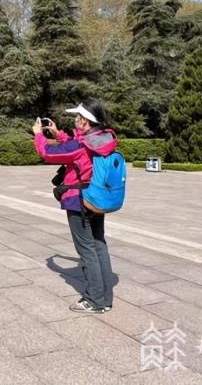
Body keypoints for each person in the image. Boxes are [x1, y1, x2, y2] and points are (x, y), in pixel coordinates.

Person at [32, 98, 117, 314]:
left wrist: (39, 135)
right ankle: (105, 298)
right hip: (95, 197)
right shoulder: (101, 138)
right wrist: (58, 133)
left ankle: (94, 300)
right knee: (98, 245)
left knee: (86, 249)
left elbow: (48, 153)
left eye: (79, 117)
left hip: (78, 200)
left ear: (87, 122)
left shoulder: (81, 145)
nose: (76, 120)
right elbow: (73, 144)